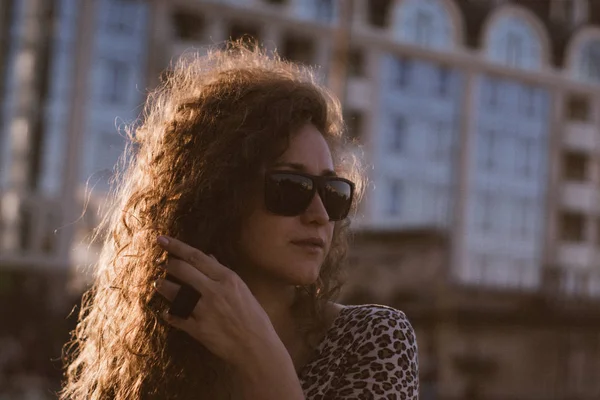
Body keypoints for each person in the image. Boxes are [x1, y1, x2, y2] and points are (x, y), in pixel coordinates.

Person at [60, 41, 419, 400]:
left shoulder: (372, 338)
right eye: (291, 187)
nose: (320, 215)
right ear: (218, 194)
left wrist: (260, 353)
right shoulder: (151, 352)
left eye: (333, 192)